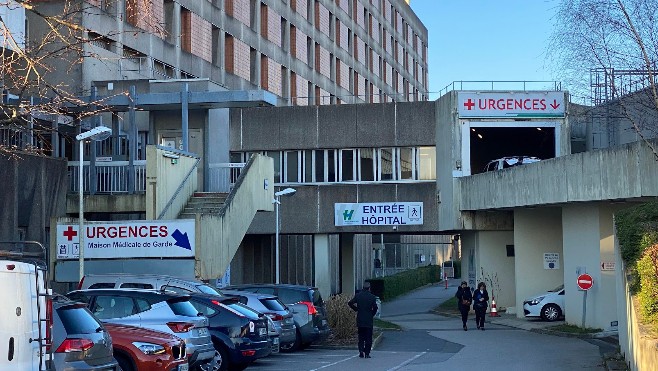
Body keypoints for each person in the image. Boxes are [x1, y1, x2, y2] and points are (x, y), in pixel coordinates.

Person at [348, 281, 379, 358]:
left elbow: (350, 303)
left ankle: (361, 351)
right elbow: (375, 308)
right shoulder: (372, 297)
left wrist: (356, 309)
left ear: (363, 288)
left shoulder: (358, 296)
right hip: (368, 320)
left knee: (361, 337)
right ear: (369, 288)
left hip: (360, 319)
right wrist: (372, 314)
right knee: (368, 338)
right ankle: (367, 353)